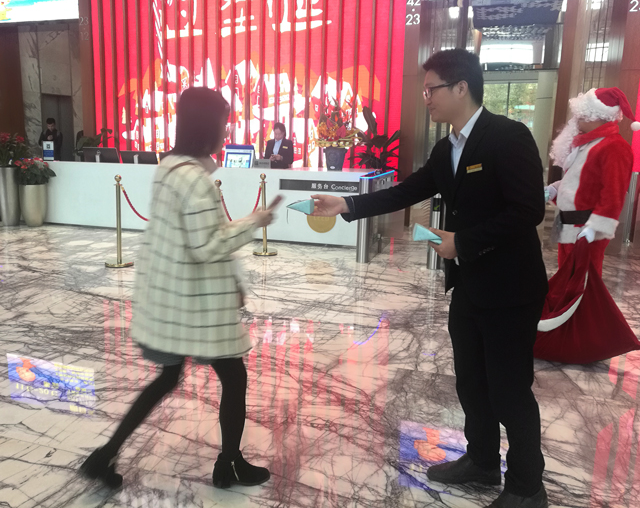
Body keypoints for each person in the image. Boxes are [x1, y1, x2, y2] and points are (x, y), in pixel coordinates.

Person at [312, 48, 549, 508]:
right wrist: (347, 204)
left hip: (511, 288)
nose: (426, 99)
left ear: (461, 87)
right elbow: (407, 191)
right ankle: (482, 459)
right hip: (469, 286)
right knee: (470, 382)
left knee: (508, 390)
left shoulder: (508, 136)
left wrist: (464, 241)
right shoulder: (446, 149)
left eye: (431, 89)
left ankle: (526, 485)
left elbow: (528, 211)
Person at [80, 87, 282, 489]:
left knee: (167, 378)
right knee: (234, 377)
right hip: (195, 306)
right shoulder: (195, 180)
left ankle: (105, 455)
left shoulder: (169, 168)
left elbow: (193, 237)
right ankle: (229, 464)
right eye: (223, 122)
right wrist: (254, 222)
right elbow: (207, 246)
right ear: (208, 126)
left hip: (170, 299)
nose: (226, 130)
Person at [546, 87, 639, 276]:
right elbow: (581, 181)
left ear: (597, 116)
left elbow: (613, 195)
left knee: (583, 281)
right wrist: (555, 189)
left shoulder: (614, 146)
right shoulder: (586, 144)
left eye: (581, 116)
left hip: (586, 227)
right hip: (568, 224)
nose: (577, 121)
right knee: (566, 277)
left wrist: (595, 228)